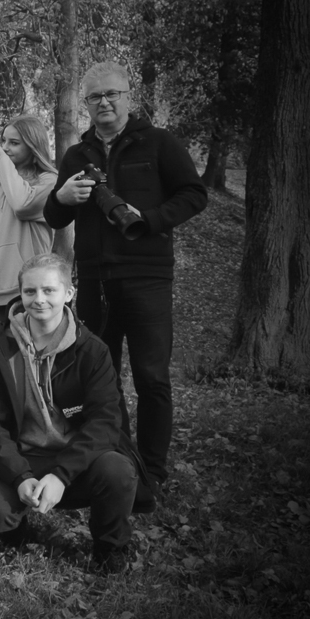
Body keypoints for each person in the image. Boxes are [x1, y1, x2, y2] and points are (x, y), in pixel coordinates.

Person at [43, 61, 207, 486]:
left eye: (112, 94)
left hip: (148, 277)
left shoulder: (158, 143)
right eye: (95, 96)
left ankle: (153, 470)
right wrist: (62, 196)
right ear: (86, 104)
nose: (104, 103)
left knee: (152, 377)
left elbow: (194, 194)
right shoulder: (77, 155)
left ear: (128, 97)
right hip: (94, 281)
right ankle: (118, 459)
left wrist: (149, 219)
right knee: (102, 377)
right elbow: (55, 217)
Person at [0, 254, 149, 573]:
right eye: (30, 291)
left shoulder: (93, 351)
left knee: (118, 471)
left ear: (69, 293)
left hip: (81, 460)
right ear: (21, 294)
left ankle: (109, 548)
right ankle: (16, 537)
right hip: (24, 456)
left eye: (49, 290)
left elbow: (105, 422)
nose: (39, 299)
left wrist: (62, 475)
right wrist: (19, 476)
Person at [0, 115, 69, 342]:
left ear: (33, 145)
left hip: (28, 290)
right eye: (3, 141)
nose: (5, 148)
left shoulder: (49, 182)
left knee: (28, 356)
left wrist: (2, 163)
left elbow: (22, 204)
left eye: (14, 143)